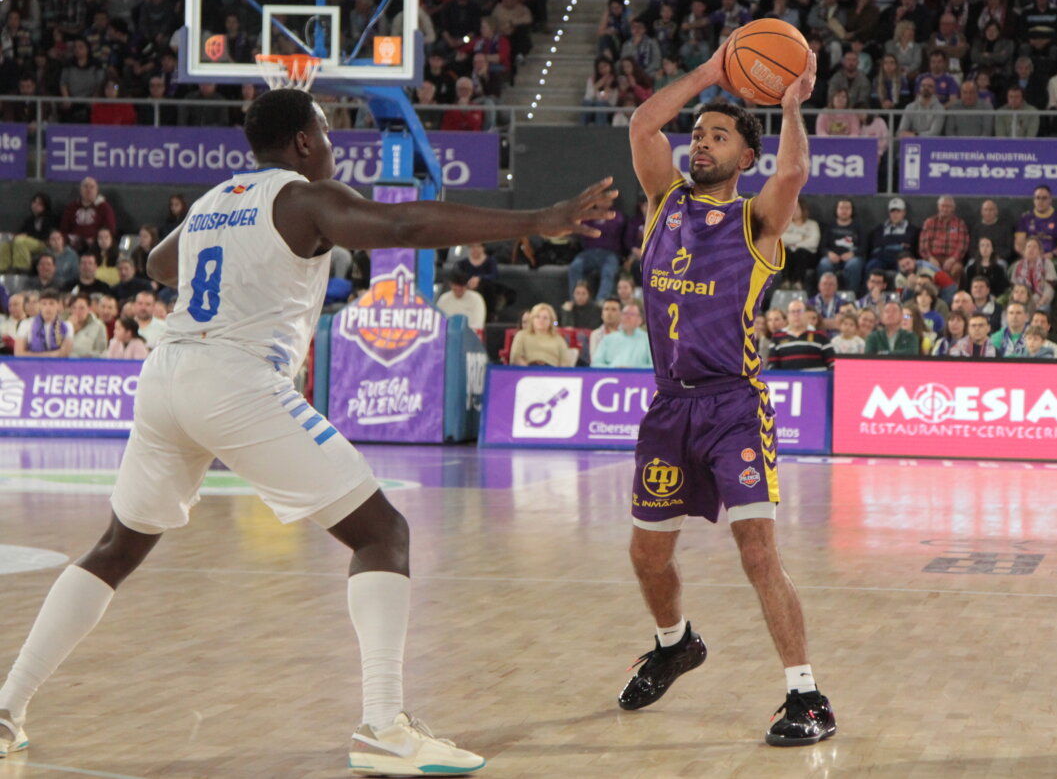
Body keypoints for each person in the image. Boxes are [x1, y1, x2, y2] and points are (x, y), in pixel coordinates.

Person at [0, 87, 617, 775]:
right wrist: (543, 217)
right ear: (301, 143)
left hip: (166, 375)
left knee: (117, 545)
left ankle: (7, 707)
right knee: (383, 533)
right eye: (325, 133)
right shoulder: (300, 197)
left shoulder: (213, 200)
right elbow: (404, 227)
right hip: (236, 379)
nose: (331, 146)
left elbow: (157, 266)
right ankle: (384, 725)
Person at [622, 37, 836, 745]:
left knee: (756, 550)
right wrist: (708, 75)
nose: (699, 142)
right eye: (699, 134)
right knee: (647, 555)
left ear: (746, 156)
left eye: (718, 134)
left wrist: (793, 107)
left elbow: (794, 170)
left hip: (732, 406)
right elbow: (641, 126)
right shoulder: (661, 201)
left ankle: (806, 695)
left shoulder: (755, 222)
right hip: (668, 405)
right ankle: (675, 640)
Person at [770, 299, 836, 370]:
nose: (796, 315)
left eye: (799, 311)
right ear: (787, 316)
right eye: (792, 312)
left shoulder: (821, 335)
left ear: (806, 314)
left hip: (815, 380)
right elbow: (772, 366)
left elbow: (833, 363)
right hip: (788, 380)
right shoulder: (777, 337)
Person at [815, 198, 864, 293]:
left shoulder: (859, 227)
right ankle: (824, 294)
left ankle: (851, 294)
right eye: (841, 208)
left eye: (847, 208)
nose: (844, 211)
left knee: (854, 265)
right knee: (824, 264)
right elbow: (822, 247)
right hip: (832, 257)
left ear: (852, 210)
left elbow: (864, 247)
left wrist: (852, 254)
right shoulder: (829, 226)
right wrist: (829, 253)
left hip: (852, 257)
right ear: (836, 210)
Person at [917, 194, 969, 279]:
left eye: (948, 206)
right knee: (927, 270)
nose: (945, 209)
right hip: (932, 258)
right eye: (943, 206)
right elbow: (923, 245)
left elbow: (962, 245)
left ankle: (954, 292)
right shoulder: (929, 222)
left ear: (953, 208)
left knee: (958, 270)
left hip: (953, 259)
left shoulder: (960, 224)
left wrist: (953, 259)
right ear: (938, 207)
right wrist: (930, 258)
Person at [511, 301, 578, 366]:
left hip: (552, 372)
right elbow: (515, 357)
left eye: (545, 318)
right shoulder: (521, 335)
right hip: (528, 371)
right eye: (537, 317)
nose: (541, 320)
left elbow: (565, 362)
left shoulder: (559, 339)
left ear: (550, 321)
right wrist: (528, 370)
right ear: (532, 319)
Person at [13, 289, 73, 358]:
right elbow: (18, 353)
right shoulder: (25, 324)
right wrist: (51, 355)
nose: (48, 307)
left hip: (58, 367)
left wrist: (30, 354)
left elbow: (64, 354)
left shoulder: (67, 326)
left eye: (51, 303)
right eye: (44, 303)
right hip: (32, 366)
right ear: (39, 305)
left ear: (58, 305)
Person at [1015, 184, 1057, 260]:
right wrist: (1027, 255)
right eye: (1037, 198)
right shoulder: (1025, 217)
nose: (1040, 201)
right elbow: (1019, 243)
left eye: (1044, 198)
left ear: (1050, 199)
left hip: (1051, 258)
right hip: (1028, 257)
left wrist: (1052, 254)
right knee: (1014, 268)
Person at [593, 303, 652, 368]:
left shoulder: (649, 340)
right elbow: (595, 364)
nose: (627, 317)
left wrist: (633, 369)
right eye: (625, 313)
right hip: (612, 376)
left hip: (639, 377)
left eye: (632, 314)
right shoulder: (607, 339)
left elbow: (656, 367)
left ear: (640, 320)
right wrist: (614, 368)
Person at [68, 293, 107, 357]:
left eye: (82, 308)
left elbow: (102, 352)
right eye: (74, 307)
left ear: (89, 309)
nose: (77, 311)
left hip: (89, 364)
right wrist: (69, 328)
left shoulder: (98, 325)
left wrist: (84, 355)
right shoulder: (63, 325)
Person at [588, 296, 622, 361]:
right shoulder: (595, 334)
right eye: (606, 309)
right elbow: (595, 360)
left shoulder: (627, 333)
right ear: (602, 314)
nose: (609, 313)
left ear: (621, 314)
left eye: (613, 309)